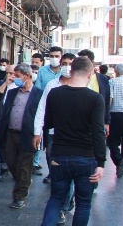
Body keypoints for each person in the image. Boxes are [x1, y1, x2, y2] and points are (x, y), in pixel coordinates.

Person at [39, 56, 106, 226]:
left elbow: (48, 123)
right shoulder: (95, 98)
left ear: (71, 70)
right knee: (83, 203)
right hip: (86, 157)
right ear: (90, 73)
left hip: (59, 155)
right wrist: (101, 162)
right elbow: (99, 132)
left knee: (55, 198)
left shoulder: (55, 93)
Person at [0, 63, 43, 209]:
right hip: (11, 133)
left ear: (27, 76)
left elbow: (41, 116)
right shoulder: (13, 92)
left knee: (24, 166)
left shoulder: (38, 94)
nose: (15, 78)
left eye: (18, 76)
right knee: (11, 162)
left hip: (28, 135)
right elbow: (6, 110)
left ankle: (19, 196)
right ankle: (23, 181)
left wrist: (38, 134)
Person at [35, 53, 75, 188]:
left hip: (73, 133)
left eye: (70, 64)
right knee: (51, 156)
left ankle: (67, 192)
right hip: (52, 131)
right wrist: (37, 131)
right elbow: (42, 108)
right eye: (64, 64)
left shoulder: (81, 86)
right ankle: (55, 177)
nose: (67, 67)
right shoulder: (52, 85)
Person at [77, 49, 111, 138]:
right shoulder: (74, 78)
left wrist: (106, 122)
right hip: (79, 122)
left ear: (92, 62)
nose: (82, 64)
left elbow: (107, 101)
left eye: (85, 61)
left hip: (97, 121)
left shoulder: (103, 79)